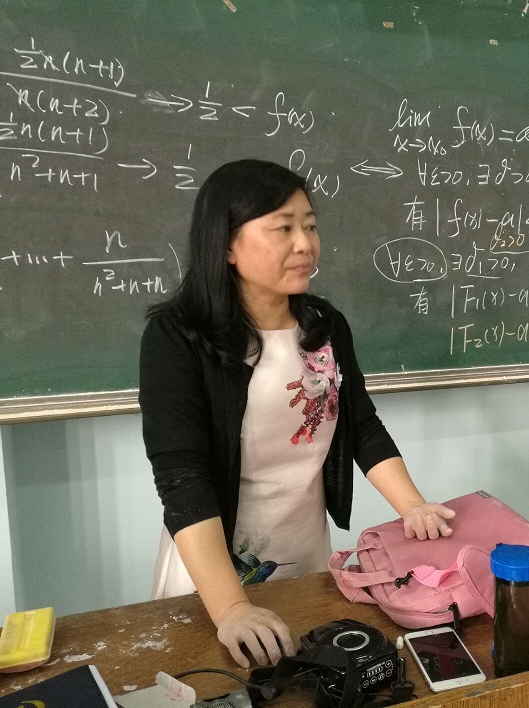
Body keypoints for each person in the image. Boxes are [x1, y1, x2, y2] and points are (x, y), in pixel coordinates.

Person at [140, 159, 455, 669]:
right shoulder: (177, 337)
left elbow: (361, 424)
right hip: (217, 572)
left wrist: (413, 506)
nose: (305, 244)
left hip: (306, 550)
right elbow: (181, 477)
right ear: (226, 243)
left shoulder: (324, 325)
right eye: (283, 228)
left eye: (309, 226)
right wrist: (232, 609)